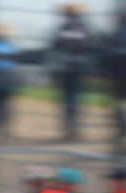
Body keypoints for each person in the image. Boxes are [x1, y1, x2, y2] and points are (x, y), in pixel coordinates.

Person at [47, 4, 92, 141]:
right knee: (76, 100)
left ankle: (69, 129)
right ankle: (74, 129)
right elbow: (88, 46)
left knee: (69, 100)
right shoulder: (84, 27)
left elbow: (55, 46)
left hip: (67, 68)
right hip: (77, 68)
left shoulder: (63, 28)